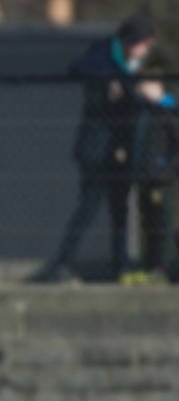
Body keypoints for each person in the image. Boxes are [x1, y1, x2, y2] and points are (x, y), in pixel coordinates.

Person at [28, 15, 157, 282]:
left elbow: (134, 106)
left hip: (121, 151)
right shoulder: (104, 57)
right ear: (133, 42)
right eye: (144, 45)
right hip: (97, 151)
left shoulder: (133, 70)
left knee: (120, 212)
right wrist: (111, 84)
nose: (146, 51)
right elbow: (79, 69)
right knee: (88, 208)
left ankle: (120, 265)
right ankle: (64, 263)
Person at [120, 59, 179, 284]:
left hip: (159, 178)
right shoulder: (142, 111)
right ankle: (149, 265)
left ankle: (160, 267)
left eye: (143, 85)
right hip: (144, 176)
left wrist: (166, 168)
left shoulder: (167, 109)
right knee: (149, 224)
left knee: (161, 225)